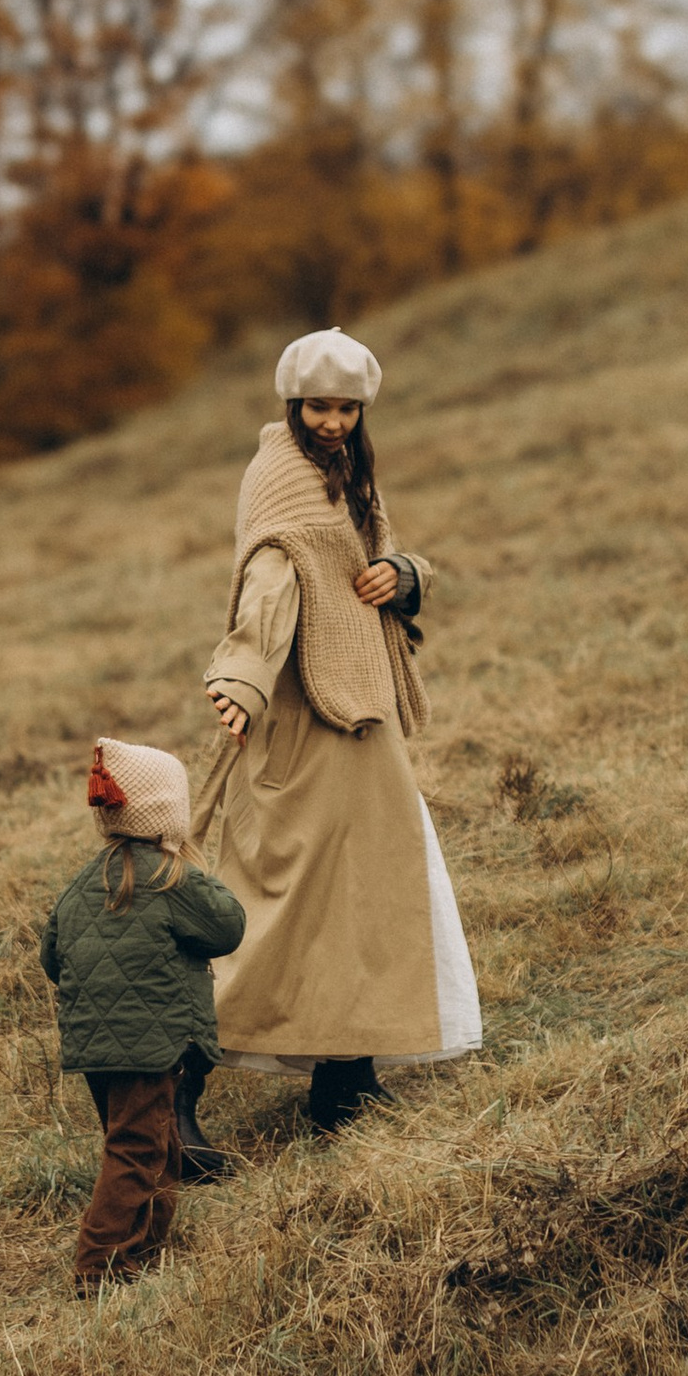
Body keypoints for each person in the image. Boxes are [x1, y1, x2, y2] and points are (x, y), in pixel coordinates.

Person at [197, 328, 482, 1136]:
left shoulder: (350, 471)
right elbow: (270, 581)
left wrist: (408, 577)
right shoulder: (281, 476)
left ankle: (345, 1085)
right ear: (292, 403)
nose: (332, 421)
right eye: (319, 406)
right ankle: (178, 1091)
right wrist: (244, 678)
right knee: (280, 907)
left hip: (367, 715)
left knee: (368, 895)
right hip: (303, 721)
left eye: (347, 408)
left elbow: (372, 557)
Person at [39, 737, 247, 1293]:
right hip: (151, 1044)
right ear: (167, 815)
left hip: (95, 1047)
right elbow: (228, 926)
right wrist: (197, 869)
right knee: (136, 1149)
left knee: (157, 1146)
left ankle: (146, 1246)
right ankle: (98, 1266)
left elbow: (51, 957)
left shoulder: (83, 883)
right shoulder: (169, 876)